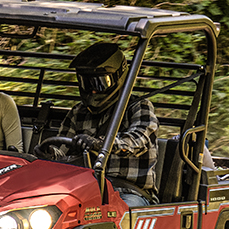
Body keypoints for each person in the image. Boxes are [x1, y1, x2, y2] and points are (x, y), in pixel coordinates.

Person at [57, 42, 158, 207]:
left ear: (118, 77)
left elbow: (138, 140)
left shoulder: (139, 107)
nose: (93, 91)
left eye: (99, 83)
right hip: (85, 189)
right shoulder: (78, 112)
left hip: (128, 192)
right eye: (87, 83)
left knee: (113, 217)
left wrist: (100, 144)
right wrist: (46, 154)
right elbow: (61, 149)